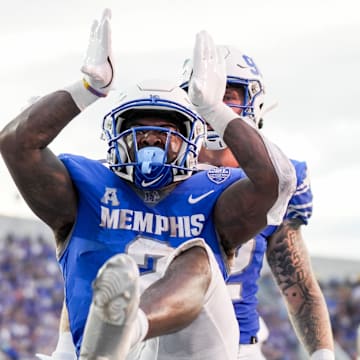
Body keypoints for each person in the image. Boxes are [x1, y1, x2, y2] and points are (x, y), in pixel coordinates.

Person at [0, 8, 296, 360]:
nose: (151, 138)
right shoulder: (85, 187)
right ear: (115, 137)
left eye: (166, 130)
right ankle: (114, 336)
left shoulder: (213, 192)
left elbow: (277, 182)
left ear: (191, 138)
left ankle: (125, 326)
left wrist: (215, 110)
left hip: (188, 350)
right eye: (138, 127)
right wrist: (87, 88)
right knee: (158, 264)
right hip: (96, 353)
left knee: (198, 256)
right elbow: (15, 143)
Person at [181, 45, 335, 360]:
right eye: (207, 93)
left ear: (255, 102)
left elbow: (298, 286)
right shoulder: (160, 174)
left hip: (239, 348)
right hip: (160, 344)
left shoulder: (278, 179)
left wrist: (322, 354)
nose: (213, 105)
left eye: (228, 96)